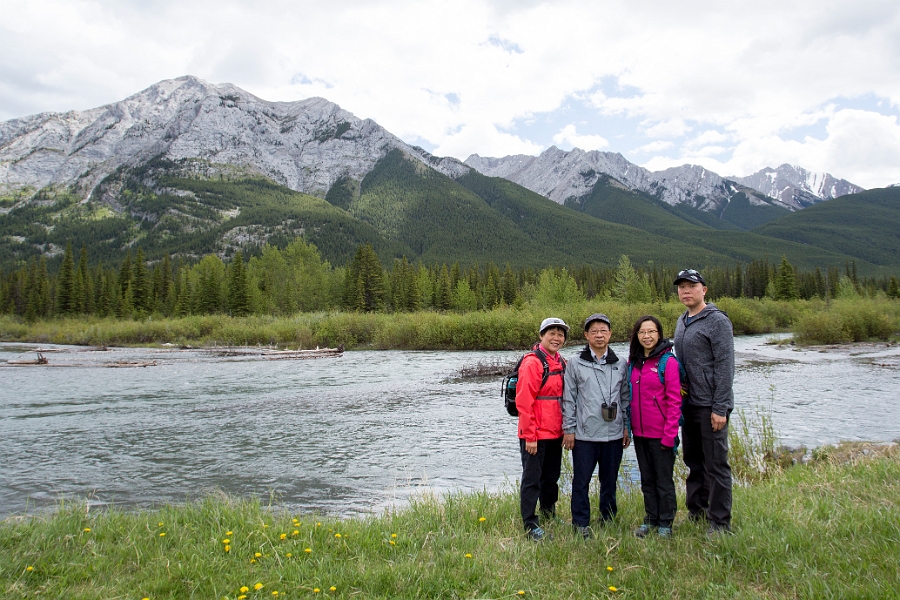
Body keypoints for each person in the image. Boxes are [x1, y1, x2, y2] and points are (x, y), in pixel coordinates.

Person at [672, 269, 735, 535]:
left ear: (704, 290)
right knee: (694, 460)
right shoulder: (682, 320)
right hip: (689, 404)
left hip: (711, 404)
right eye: (681, 287)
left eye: (691, 286)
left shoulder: (717, 321)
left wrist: (720, 407)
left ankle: (720, 522)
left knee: (716, 463)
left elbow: (725, 365)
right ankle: (697, 510)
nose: (686, 291)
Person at [562, 313, 630, 539]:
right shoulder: (575, 363)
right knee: (581, 481)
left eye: (603, 331)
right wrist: (569, 430)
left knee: (609, 480)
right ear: (586, 335)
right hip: (584, 435)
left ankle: (608, 518)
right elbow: (569, 398)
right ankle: (580, 523)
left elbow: (625, 397)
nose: (599, 335)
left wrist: (626, 427)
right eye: (594, 331)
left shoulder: (621, 363)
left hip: (613, 434)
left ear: (610, 334)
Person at [628, 315, 682, 539]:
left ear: (659, 334)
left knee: (663, 480)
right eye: (642, 332)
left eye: (651, 332)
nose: (647, 336)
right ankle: (650, 518)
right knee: (647, 480)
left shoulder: (667, 362)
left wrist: (670, 435)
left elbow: (674, 401)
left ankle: (666, 522)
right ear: (637, 336)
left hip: (662, 435)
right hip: (640, 433)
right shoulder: (634, 362)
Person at [516, 317, 569, 541]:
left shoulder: (562, 362)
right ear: (541, 336)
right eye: (552, 333)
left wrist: (567, 429)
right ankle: (530, 523)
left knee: (551, 477)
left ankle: (549, 512)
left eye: (560, 334)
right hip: (535, 434)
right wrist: (530, 436)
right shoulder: (532, 363)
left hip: (555, 432)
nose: (556, 338)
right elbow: (524, 402)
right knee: (532, 479)